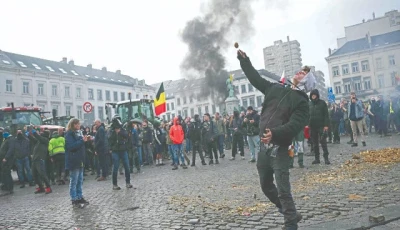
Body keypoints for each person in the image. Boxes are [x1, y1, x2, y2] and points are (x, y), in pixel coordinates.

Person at [237, 49, 310, 230]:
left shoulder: (302, 103)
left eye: (304, 74)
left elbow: (294, 125)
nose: (299, 74)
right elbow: (256, 79)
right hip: (264, 149)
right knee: (266, 186)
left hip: (280, 149)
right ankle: (290, 212)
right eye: (300, 71)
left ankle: (291, 224)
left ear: (306, 81)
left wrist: (275, 134)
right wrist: (245, 61)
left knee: (283, 190)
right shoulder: (275, 88)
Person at [65, 118, 89, 206]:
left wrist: (84, 141)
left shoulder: (79, 133)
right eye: (77, 124)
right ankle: (74, 198)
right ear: (73, 125)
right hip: (73, 160)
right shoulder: (69, 134)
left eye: (79, 124)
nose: (79, 126)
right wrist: (82, 141)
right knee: (74, 180)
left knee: (80, 180)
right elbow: (71, 147)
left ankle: (79, 196)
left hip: (80, 159)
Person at [108, 123, 134, 190]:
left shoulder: (123, 130)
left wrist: (120, 132)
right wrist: (110, 148)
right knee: (115, 167)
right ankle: (115, 184)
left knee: (127, 166)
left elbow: (127, 136)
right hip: (115, 151)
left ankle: (128, 182)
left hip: (123, 150)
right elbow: (109, 139)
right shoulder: (111, 132)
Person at [309, 89, 331, 165]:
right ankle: (317, 159)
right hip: (312, 126)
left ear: (317, 95)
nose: (313, 96)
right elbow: (307, 115)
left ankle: (326, 158)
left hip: (321, 126)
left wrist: (326, 125)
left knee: (323, 142)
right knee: (315, 144)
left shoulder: (322, 103)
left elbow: (326, 115)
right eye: (312, 95)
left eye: (314, 95)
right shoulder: (309, 104)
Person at [0, 128, 15, 194]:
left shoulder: (11, 139)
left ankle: (10, 187)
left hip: (8, 159)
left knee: (7, 173)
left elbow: (11, 149)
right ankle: (5, 185)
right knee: (4, 173)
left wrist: (6, 157)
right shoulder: (5, 139)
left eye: (4, 132)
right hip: (3, 159)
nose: (3, 133)